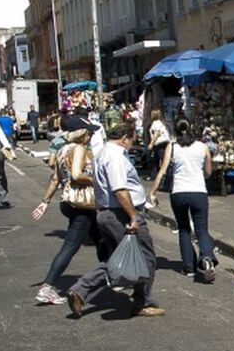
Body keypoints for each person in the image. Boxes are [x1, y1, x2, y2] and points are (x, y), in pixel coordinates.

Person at [66, 123, 165, 318]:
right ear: (125, 138)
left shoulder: (102, 153)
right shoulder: (116, 156)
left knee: (118, 259)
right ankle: (141, 302)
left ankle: (81, 290)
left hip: (107, 212)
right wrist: (133, 216)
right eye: (132, 139)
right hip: (120, 213)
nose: (132, 144)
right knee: (146, 258)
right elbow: (119, 189)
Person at [31, 121, 107, 305]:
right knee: (71, 246)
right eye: (89, 133)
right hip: (82, 204)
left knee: (101, 239)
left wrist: (45, 201)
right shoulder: (79, 149)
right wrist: (98, 180)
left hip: (71, 202)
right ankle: (48, 286)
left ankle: (111, 274)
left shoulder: (62, 150)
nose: (91, 137)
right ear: (82, 134)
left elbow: (55, 178)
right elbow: (76, 175)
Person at [149, 119, 216, 281]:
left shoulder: (171, 147)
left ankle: (189, 267)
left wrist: (152, 192)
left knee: (184, 229)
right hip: (198, 192)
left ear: (176, 132)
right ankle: (206, 257)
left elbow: (163, 171)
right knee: (201, 229)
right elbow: (208, 171)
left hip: (178, 192)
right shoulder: (203, 147)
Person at [147, 109, 170, 180]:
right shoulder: (161, 123)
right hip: (164, 142)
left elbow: (156, 133)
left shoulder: (155, 123)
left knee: (161, 159)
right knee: (156, 159)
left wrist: (151, 143)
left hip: (160, 143)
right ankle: (154, 175)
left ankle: (163, 175)